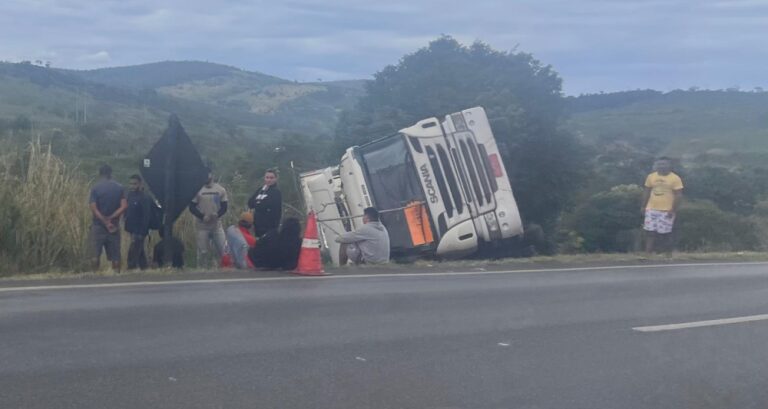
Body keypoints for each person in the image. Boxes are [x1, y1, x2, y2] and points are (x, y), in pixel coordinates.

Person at [89, 164, 127, 271]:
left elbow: (94, 208)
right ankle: (116, 276)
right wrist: (112, 218)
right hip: (114, 225)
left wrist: (104, 220)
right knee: (115, 256)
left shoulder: (95, 188)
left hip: (98, 225)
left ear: (100, 174)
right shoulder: (119, 187)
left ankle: (95, 276)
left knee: (95, 255)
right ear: (111, 173)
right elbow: (124, 206)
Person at [642, 157, 684, 254]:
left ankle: (666, 253)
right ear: (656, 165)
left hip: (666, 210)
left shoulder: (675, 178)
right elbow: (646, 191)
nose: (662, 166)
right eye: (659, 164)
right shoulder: (651, 177)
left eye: (664, 164)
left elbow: (678, 195)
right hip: (651, 208)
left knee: (664, 233)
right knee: (650, 231)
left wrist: (673, 209)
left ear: (669, 165)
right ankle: (648, 253)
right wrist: (643, 206)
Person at [189, 172, 228, 268]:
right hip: (202, 226)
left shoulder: (221, 190)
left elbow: (224, 207)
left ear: (212, 175)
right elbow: (192, 207)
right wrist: (202, 216)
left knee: (223, 249)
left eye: (208, 174)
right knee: (203, 251)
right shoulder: (197, 189)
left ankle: (225, 269)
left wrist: (217, 214)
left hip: (216, 225)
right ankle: (202, 271)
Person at [124, 174, 152, 270]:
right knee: (139, 250)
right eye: (131, 184)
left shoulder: (144, 197)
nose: (132, 186)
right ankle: (144, 268)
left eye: (135, 184)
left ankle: (130, 268)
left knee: (133, 250)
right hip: (131, 228)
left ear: (140, 184)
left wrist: (143, 231)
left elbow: (146, 216)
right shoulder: (130, 195)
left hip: (140, 229)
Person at [248, 168, 282, 238]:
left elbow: (273, 208)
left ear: (275, 179)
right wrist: (258, 203)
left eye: (271, 178)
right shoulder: (260, 190)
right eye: (267, 177)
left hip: (269, 227)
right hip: (257, 226)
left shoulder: (276, 192)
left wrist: (258, 203)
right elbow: (250, 203)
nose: (269, 180)